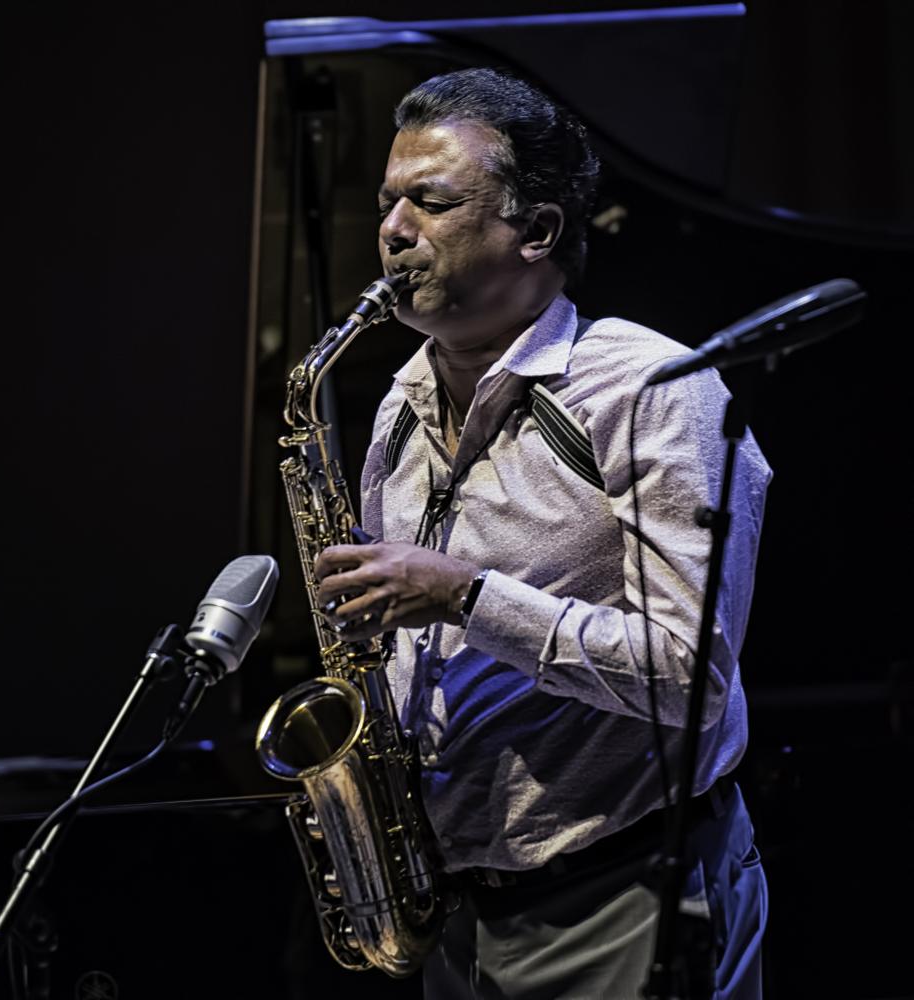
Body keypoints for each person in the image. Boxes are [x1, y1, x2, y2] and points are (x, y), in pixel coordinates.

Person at [314, 68, 770, 1000]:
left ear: (539, 231)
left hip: (622, 893)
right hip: (455, 910)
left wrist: (462, 596)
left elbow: (692, 675)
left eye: (432, 202)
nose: (394, 232)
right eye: (389, 202)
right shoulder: (396, 405)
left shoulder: (652, 390)